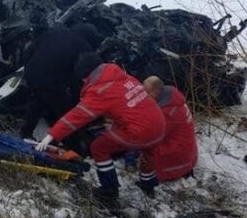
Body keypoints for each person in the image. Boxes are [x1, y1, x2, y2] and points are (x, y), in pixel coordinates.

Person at [35, 61, 166, 206]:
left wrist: (51, 135)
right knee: (149, 150)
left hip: (139, 131)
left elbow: (76, 116)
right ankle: (149, 185)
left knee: (99, 147)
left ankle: (109, 191)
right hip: (159, 124)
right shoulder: (125, 78)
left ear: (85, 78)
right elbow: (129, 108)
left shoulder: (101, 91)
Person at [19, 25, 101, 140]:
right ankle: (72, 144)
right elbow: (78, 74)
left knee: (37, 101)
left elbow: (29, 51)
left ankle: (26, 132)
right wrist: (77, 96)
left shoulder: (53, 31)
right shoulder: (84, 46)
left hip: (32, 73)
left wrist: (28, 67)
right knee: (64, 111)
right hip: (51, 81)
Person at [136, 76, 198, 195]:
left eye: (146, 92)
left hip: (177, 152)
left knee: (147, 149)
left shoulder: (168, 112)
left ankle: (147, 184)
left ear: (157, 91)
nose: (143, 95)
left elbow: (153, 136)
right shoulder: (172, 100)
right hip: (186, 150)